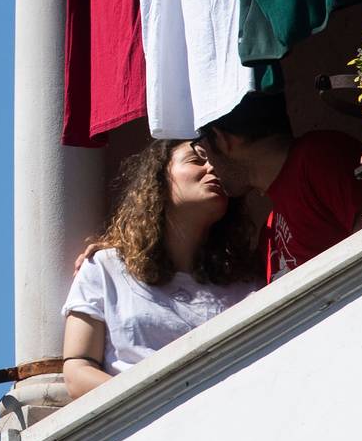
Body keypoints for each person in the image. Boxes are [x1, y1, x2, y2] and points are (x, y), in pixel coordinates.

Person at [61, 139, 259, 399]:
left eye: (217, 161)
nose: (212, 168)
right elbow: (77, 371)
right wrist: (153, 401)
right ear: (159, 178)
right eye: (197, 159)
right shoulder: (104, 268)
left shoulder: (247, 284)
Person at [193, 93, 362, 283]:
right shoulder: (270, 230)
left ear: (222, 139)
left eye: (203, 150)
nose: (209, 167)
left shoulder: (318, 157)